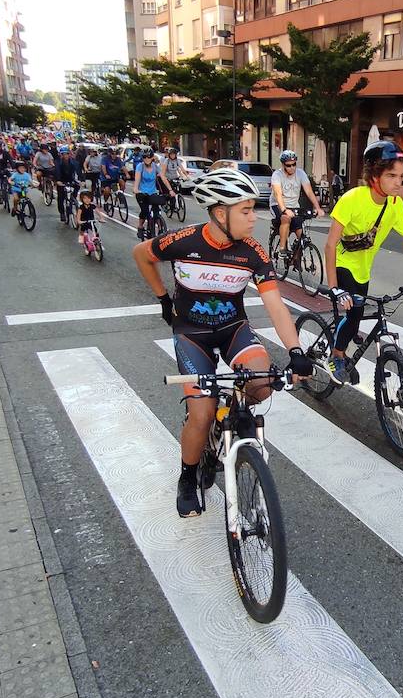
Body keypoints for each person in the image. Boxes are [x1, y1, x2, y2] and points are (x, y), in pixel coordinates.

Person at [132, 168, 315, 516]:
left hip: (233, 329)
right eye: (245, 211)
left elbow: (275, 305)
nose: (254, 217)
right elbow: (141, 254)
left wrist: (295, 351)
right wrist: (163, 298)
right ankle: (188, 476)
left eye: (254, 209)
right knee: (200, 415)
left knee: (262, 384)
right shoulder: (183, 241)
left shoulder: (253, 252)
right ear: (220, 213)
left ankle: (230, 412)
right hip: (192, 335)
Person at [323, 140, 403, 386]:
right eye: (391, 175)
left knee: (358, 314)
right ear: (374, 175)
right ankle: (337, 356)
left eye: (401, 176)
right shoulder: (353, 199)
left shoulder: (395, 204)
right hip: (343, 264)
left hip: (363, 270)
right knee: (354, 315)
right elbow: (330, 244)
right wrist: (334, 288)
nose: (399, 182)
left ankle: (346, 338)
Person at [272, 149, 324, 256]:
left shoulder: (301, 173)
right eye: (288, 165)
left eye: (294, 164)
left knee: (301, 234)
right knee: (285, 218)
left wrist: (317, 208)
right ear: (283, 165)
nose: (292, 167)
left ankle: (296, 259)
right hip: (278, 205)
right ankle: (282, 248)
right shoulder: (277, 175)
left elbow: (309, 191)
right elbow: (278, 194)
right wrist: (284, 210)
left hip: (294, 206)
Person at [132, 149, 171, 239]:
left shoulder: (155, 167)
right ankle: (140, 227)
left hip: (153, 192)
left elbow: (163, 178)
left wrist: (170, 190)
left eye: (149, 157)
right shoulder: (140, 166)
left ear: (152, 157)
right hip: (142, 193)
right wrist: (136, 189)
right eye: (144, 157)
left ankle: (160, 228)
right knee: (145, 211)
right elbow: (137, 179)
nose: (147, 159)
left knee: (156, 211)